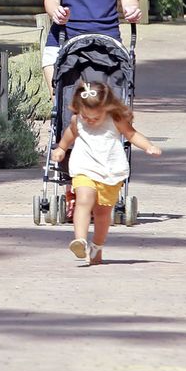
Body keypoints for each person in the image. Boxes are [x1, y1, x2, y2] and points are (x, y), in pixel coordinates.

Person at [51, 79, 162, 265]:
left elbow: (132, 134)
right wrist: (61, 148)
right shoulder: (77, 120)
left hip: (110, 171)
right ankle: (80, 240)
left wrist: (148, 146)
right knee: (83, 200)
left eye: (95, 118)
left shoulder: (115, 119)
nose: (90, 121)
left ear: (107, 108)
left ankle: (97, 247)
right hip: (84, 167)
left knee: (103, 214)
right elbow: (69, 135)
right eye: (86, 117)